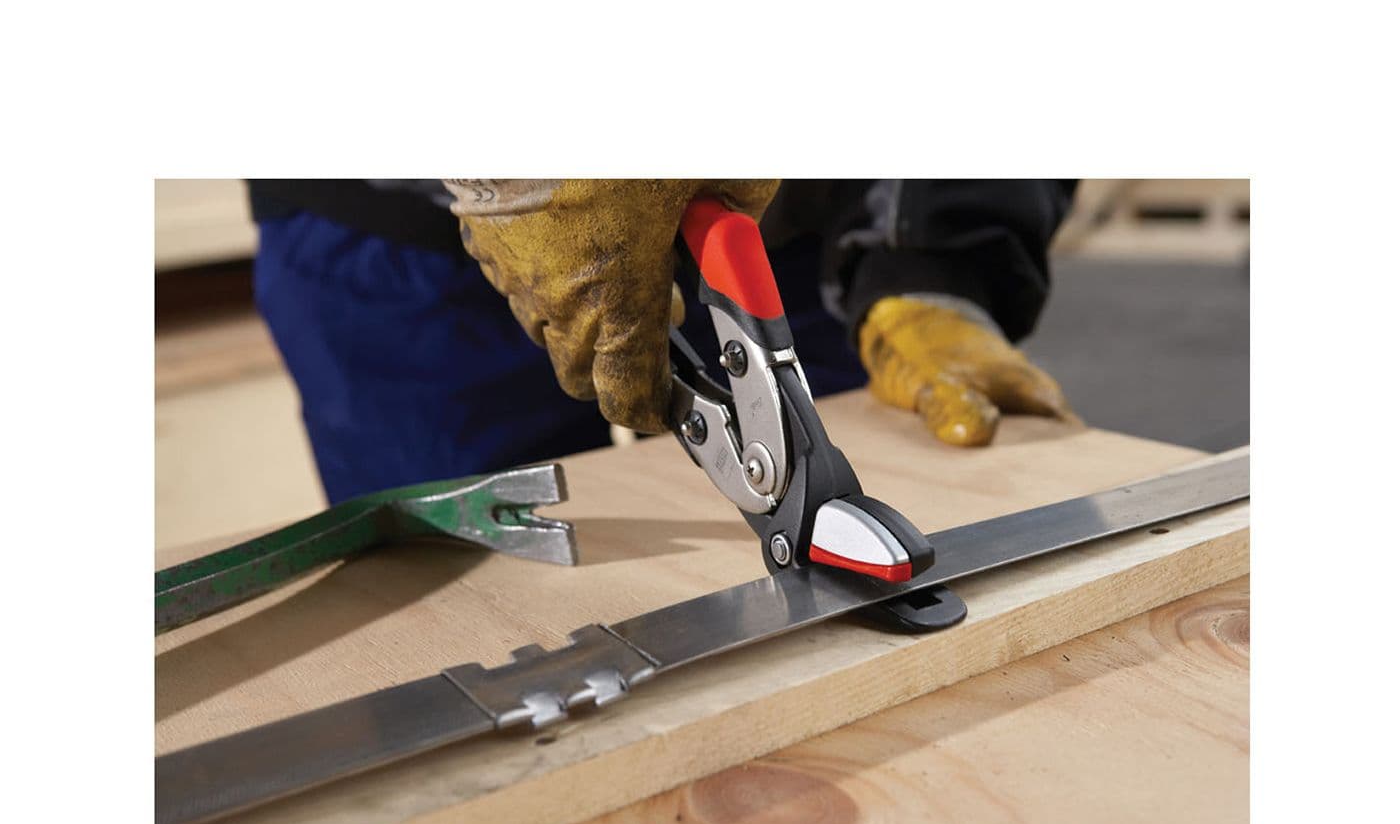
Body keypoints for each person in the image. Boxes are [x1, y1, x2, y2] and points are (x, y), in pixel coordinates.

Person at [248, 179, 1078, 503]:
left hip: (795, 226)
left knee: (911, 499)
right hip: (400, 249)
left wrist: (935, 253)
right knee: (463, 610)